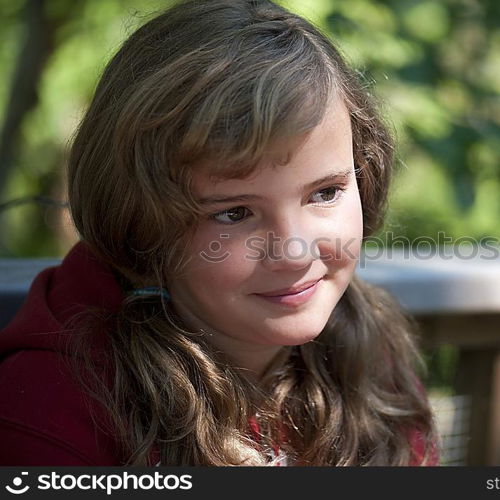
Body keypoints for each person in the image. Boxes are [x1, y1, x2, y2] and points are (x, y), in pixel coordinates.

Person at [0, 0, 438, 466]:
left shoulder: (368, 348)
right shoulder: (49, 412)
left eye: (325, 193)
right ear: (140, 219)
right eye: (234, 214)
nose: (294, 251)